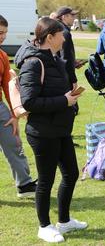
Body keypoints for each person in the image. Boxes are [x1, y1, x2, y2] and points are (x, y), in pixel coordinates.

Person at [15, 17, 87, 243]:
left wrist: (71, 96)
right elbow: (29, 102)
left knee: (72, 174)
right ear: (50, 37)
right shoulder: (34, 63)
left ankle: (64, 221)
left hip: (61, 128)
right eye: (61, 34)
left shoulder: (55, 59)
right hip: (43, 132)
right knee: (46, 180)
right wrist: (63, 101)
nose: (65, 37)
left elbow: (58, 90)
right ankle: (44, 226)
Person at [0, 14, 37, 198]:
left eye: (5, 33)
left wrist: (14, 114)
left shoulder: (3, 56)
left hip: (1, 109)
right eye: (0, 32)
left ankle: (24, 185)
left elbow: (8, 87)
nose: (3, 37)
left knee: (14, 143)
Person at [56, 6, 80, 115]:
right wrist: (73, 80)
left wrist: (74, 62)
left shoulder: (59, 29)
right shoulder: (64, 32)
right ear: (64, 16)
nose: (74, 18)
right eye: (72, 15)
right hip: (64, 77)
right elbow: (65, 58)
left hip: (59, 74)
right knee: (71, 108)